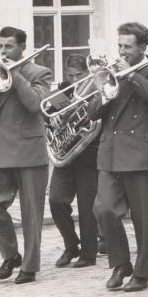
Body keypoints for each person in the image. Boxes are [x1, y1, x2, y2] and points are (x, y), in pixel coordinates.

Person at [89, 22, 148, 292]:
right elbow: (92, 112)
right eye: (120, 46)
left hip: (142, 155)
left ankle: (142, 272)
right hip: (112, 153)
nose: (122, 52)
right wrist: (104, 90)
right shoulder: (110, 71)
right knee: (103, 209)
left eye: (128, 47)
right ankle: (121, 263)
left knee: (144, 220)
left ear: (143, 47)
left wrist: (132, 75)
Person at [0, 26, 52, 284]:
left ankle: (29, 266)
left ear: (22, 47)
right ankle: (10, 254)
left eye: (9, 46)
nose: (4, 51)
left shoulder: (40, 73)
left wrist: (14, 76)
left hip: (29, 150)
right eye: (1, 46)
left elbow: (35, 105)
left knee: (31, 213)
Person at [45, 54, 101, 268]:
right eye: (71, 75)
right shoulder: (63, 89)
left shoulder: (98, 89)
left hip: (90, 156)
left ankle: (89, 253)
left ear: (88, 72)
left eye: (79, 75)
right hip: (66, 156)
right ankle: (71, 245)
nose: (75, 79)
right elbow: (46, 114)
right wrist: (52, 117)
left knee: (87, 207)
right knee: (56, 200)